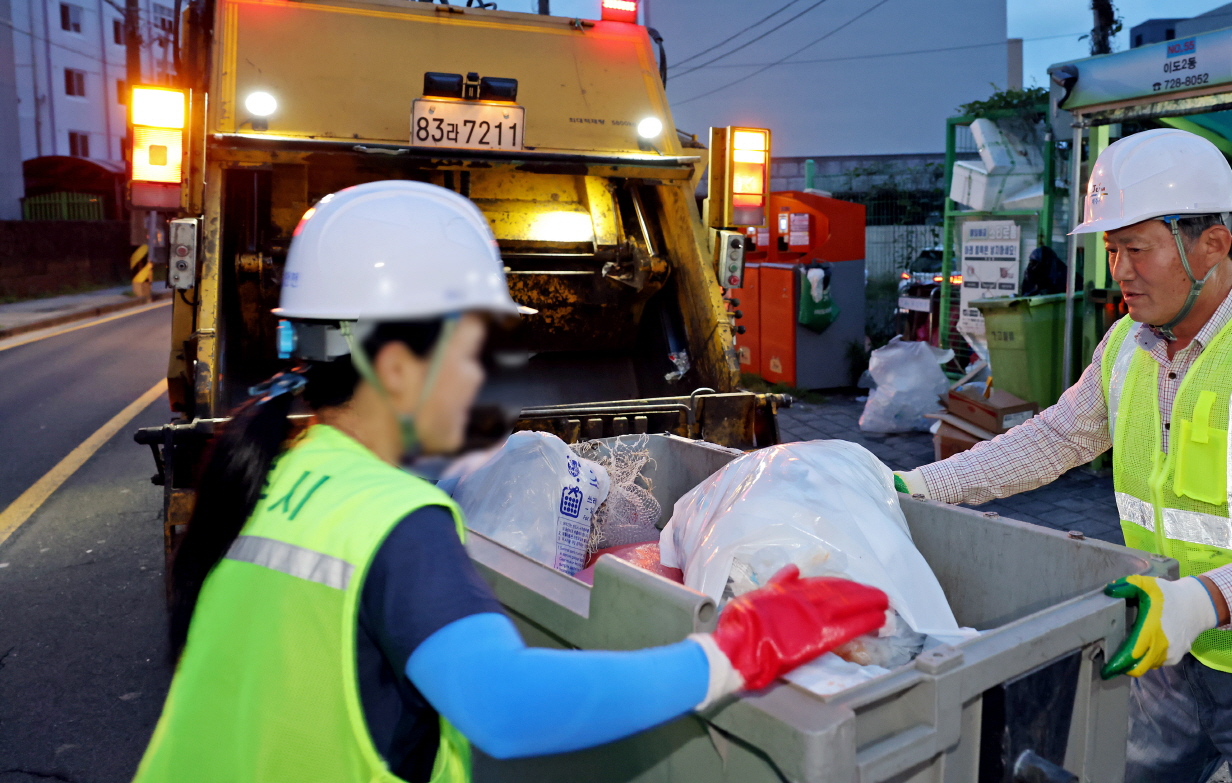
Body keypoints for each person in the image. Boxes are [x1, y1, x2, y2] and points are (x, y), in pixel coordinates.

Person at [134, 180, 888, 782]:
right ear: (395, 366)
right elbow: (505, 707)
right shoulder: (393, 518)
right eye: (469, 354)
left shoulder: (279, 475)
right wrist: (733, 651)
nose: (482, 382)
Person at [896, 129, 1232, 783]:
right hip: (1165, 656)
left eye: (1137, 249)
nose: (1119, 271)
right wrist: (918, 487)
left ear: (1211, 243)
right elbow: (1057, 437)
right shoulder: (1127, 342)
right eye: (1111, 249)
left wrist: (1203, 601)